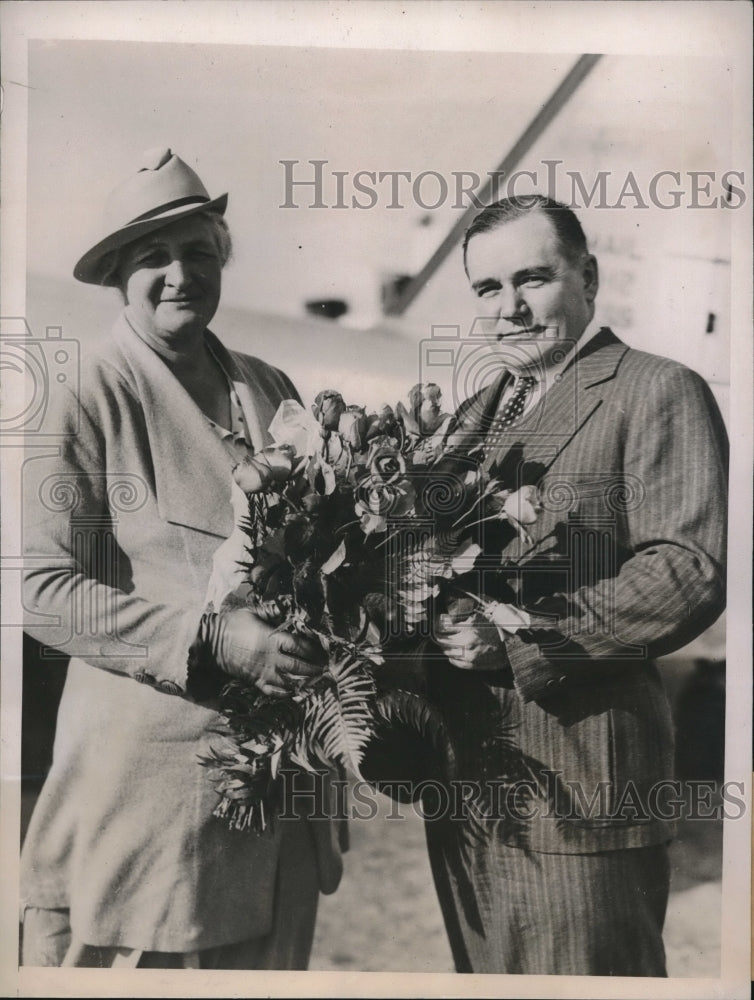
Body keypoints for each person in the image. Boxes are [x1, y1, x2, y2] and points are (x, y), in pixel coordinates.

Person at [21, 148, 342, 969]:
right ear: (119, 276)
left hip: (279, 796)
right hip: (151, 799)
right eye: (153, 256)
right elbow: (43, 591)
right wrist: (215, 640)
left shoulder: (270, 388)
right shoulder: (87, 391)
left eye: (199, 252)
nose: (179, 274)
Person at [423, 195, 728, 975]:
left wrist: (520, 635)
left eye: (533, 279)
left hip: (581, 794)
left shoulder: (657, 389)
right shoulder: (471, 417)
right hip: (472, 797)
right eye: (488, 289)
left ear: (587, 277)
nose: (510, 308)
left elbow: (687, 567)